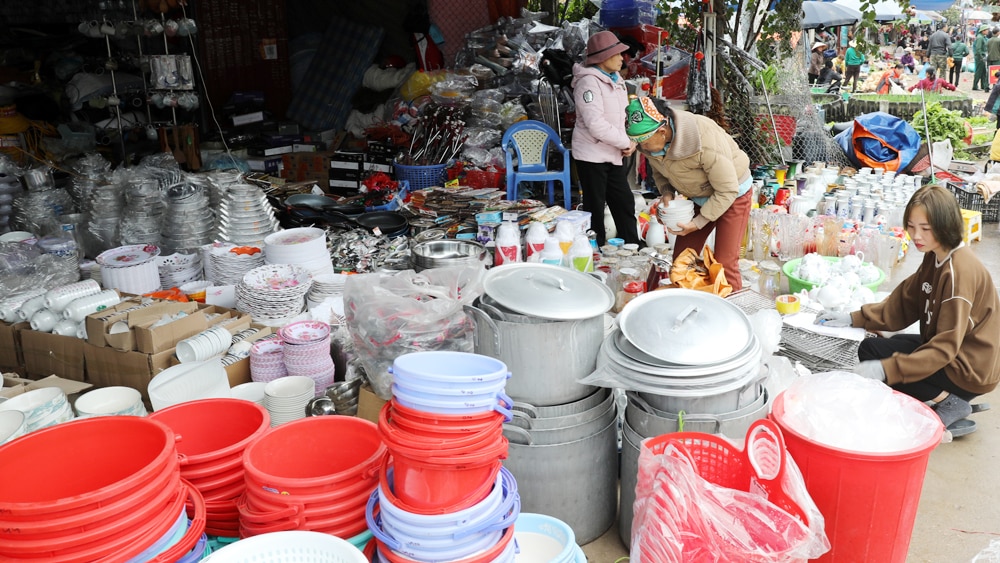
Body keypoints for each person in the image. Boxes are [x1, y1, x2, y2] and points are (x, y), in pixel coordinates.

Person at [815, 185, 1000, 434]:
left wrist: (887, 369)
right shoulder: (935, 255)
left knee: (885, 365)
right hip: (955, 354)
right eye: (911, 226)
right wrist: (853, 318)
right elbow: (905, 301)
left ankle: (950, 401)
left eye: (925, 228)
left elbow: (944, 348)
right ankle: (939, 394)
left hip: (969, 369)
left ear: (946, 225)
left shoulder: (959, 273)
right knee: (870, 348)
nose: (916, 235)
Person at [624, 96, 752, 291]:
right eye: (638, 144)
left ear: (662, 131)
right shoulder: (650, 143)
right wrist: (667, 193)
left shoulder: (703, 139)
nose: (642, 149)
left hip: (733, 194)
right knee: (681, 259)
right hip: (699, 194)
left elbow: (727, 189)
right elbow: (659, 172)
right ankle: (689, 304)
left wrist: (698, 223)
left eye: (645, 143)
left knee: (724, 263)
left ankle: (732, 312)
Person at [570, 30, 640, 247]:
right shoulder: (588, 83)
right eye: (618, 54)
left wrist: (632, 140)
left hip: (613, 153)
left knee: (624, 201)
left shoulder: (617, 80)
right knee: (595, 207)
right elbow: (595, 125)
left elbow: (625, 115)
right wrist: (624, 142)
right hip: (591, 155)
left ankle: (632, 245)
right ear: (602, 57)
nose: (622, 58)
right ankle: (595, 249)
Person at [975, 25, 991, 91]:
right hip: (980, 57)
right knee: (979, 72)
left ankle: (983, 85)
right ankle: (975, 86)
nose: (988, 31)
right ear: (983, 31)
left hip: (983, 56)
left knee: (984, 72)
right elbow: (978, 49)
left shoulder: (983, 37)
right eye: (987, 30)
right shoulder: (980, 38)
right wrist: (981, 57)